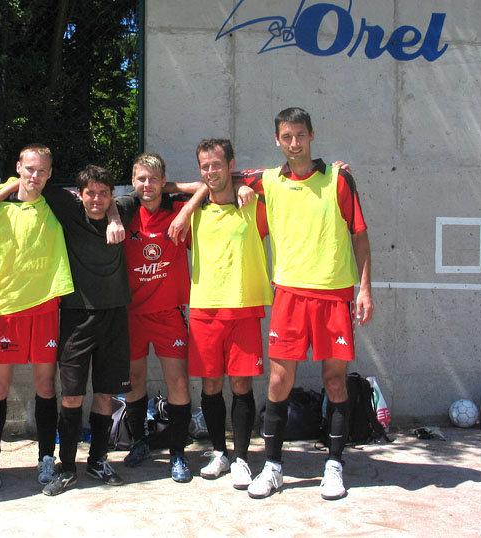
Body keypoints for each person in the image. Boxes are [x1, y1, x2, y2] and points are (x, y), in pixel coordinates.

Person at [0, 162, 139, 496]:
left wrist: (114, 217)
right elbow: (28, 180)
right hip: (74, 315)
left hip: (114, 315)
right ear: (79, 195)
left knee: (105, 393)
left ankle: (97, 461)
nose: (97, 199)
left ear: (112, 195)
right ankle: (66, 467)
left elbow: (155, 191)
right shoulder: (68, 209)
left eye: (104, 193)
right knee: (70, 395)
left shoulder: (123, 208)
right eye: (90, 193)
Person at [244, 107, 373, 501]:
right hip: (289, 295)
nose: (294, 143)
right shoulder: (267, 181)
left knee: (334, 381)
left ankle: (333, 466)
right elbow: (214, 178)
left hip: (334, 294)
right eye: (287, 136)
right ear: (277, 140)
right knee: (279, 381)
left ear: (312, 135)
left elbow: (360, 236)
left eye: (300, 135)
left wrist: (365, 289)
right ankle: (272, 467)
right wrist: (237, 190)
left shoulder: (338, 178)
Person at [168, 139, 272, 490]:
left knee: (241, 384)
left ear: (231, 165)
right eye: (205, 166)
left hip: (244, 307)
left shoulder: (253, 205)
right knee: (210, 385)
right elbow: (156, 188)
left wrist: (242, 184)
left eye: (217, 164)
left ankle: (241, 458)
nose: (211, 171)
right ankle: (219, 453)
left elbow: (282, 178)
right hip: (204, 309)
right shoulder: (193, 213)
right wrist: (188, 206)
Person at [0, 144, 74, 490]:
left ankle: (46, 457)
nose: (35, 175)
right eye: (30, 168)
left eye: (42, 170)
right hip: (6, 309)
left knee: (46, 385)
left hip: (46, 307)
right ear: (18, 167)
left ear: (50, 173)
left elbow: (99, 199)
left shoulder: (57, 204)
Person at [117, 153, 195, 483]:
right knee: (133, 381)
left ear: (164, 181)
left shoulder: (178, 210)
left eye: (153, 179)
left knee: (178, 383)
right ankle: (139, 443)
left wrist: (183, 206)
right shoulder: (123, 212)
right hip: (131, 313)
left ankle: (177, 452)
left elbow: (208, 186)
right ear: (132, 182)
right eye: (141, 179)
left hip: (168, 313)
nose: (146, 185)